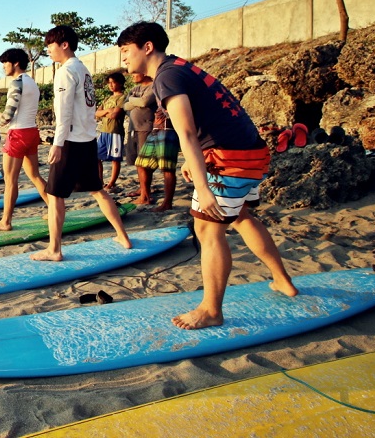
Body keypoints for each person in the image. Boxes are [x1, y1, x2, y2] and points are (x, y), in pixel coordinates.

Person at [117, 21, 298, 329]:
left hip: (229, 158)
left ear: (147, 47)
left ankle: (212, 310)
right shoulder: (179, 67)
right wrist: (198, 158)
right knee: (241, 217)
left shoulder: (167, 76)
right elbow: (209, 119)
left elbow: (186, 131)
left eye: (125, 51)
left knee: (207, 231)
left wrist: (203, 185)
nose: (123, 59)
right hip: (249, 151)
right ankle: (283, 281)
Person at [32, 26, 131, 262]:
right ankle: (123, 237)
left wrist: (57, 143)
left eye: (50, 46)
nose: (48, 51)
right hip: (88, 139)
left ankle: (54, 250)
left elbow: (64, 112)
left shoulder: (66, 72)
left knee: (55, 195)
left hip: (70, 141)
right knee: (98, 190)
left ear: (64, 44)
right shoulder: (83, 69)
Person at [0, 48, 48, 231]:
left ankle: (6, 222)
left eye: (5, 62)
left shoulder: (16, 82)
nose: (3, 67)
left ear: (16, 63)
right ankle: (54, 208)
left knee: (10, 180)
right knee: (35, 175)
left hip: (18, 134)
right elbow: (21, 108)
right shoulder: (31, 82)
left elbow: (11, 113)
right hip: (31, 132)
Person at [135, 105, 180, 211]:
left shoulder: (175, 89)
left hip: (168, 129)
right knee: (141, 164)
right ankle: (144, 196)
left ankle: (167, 203)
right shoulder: (160, 90)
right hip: (155, 129)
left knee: (167, 168)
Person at [122, 72, 157, 204]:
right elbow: (125, 106)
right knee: (137, 160)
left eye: (134, 74)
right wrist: (136, 101)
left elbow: (145, 101)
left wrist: (134, 100)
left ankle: (145, 195)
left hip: (145, 127)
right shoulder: (134, 89)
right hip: (133, 128)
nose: (132, 77)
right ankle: (142, 188)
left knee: (144, 162)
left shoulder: (153, 86)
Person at [95, 71, 126, 192]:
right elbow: (96, 113)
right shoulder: (107, 98)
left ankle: (111, 183)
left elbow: (115, 114)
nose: (111, 85)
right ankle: (100, 181)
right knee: (96, 157)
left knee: (115, 159)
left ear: (120, 83)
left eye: (113, 82)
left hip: (115, 132)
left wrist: (106, 112)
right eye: (109, 83)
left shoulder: (122, 97)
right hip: (103, 131)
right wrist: (108, 110)